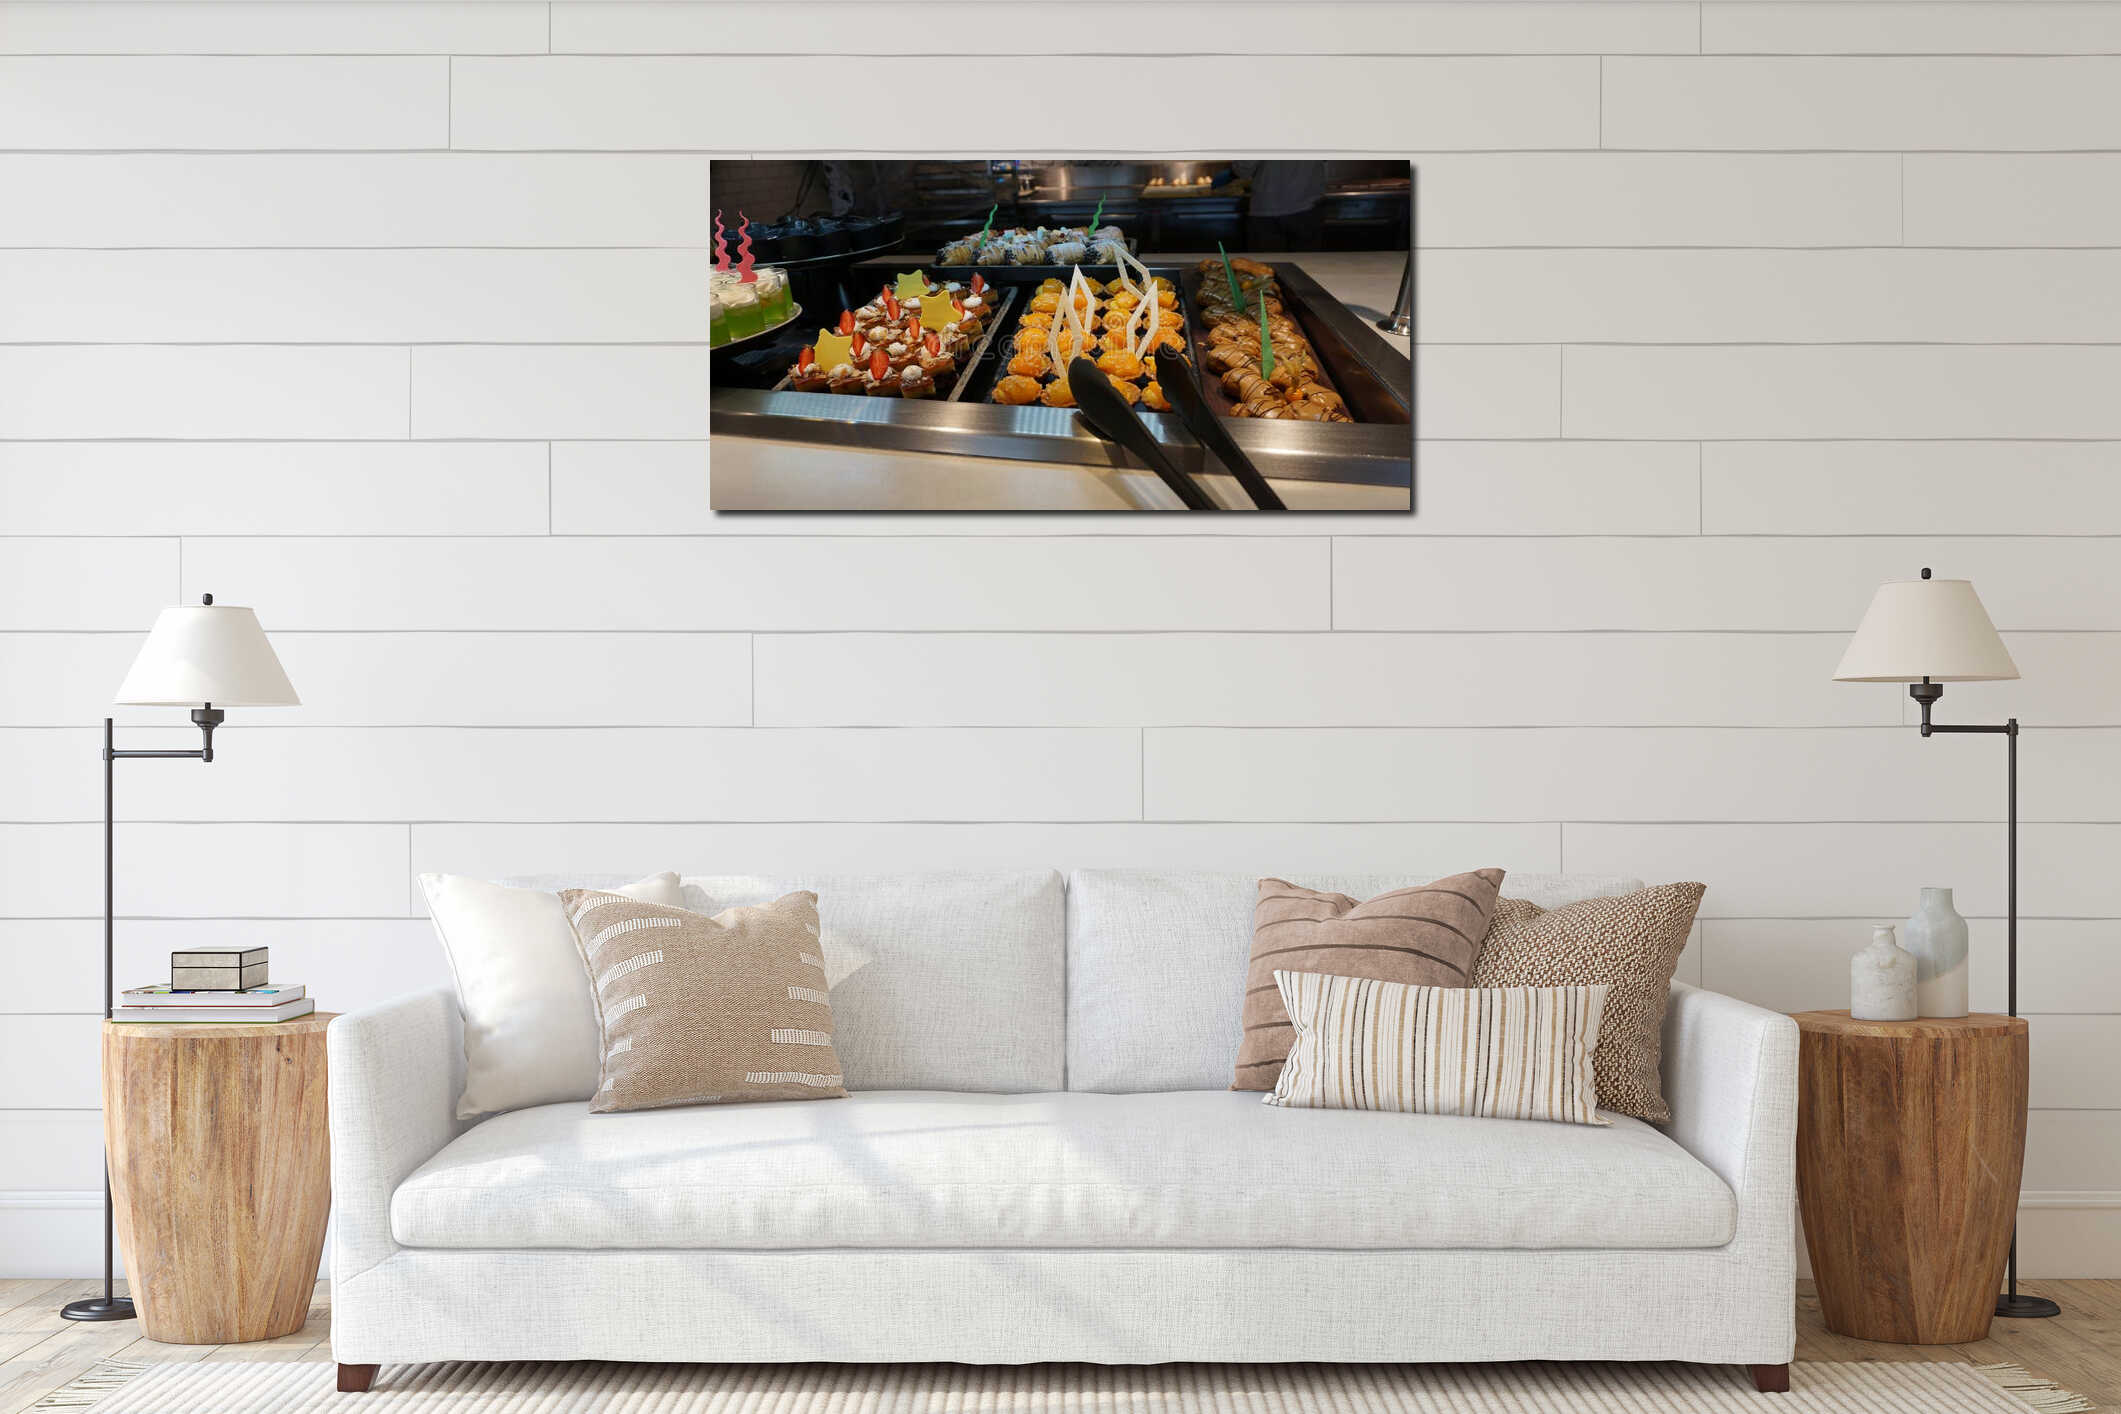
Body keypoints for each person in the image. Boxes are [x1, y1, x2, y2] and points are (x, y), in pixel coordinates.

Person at [1233, 161, 1328, 250]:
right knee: (1308, 265)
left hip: (1268, 209)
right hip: (1308, 206)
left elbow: (1243, 169)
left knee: (1268, 265)